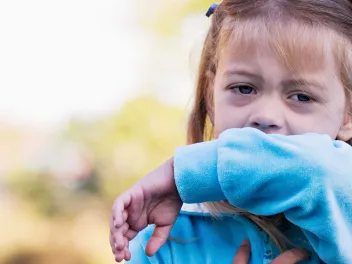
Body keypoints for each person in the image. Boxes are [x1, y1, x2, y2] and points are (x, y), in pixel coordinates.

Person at [110, 0, 352, 263]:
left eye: (302, 97)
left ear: (348, 115)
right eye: (244, 88)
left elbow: (321, 170)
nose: (266, 116)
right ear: (211, 96)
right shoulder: (165, 239)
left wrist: (184, 173)